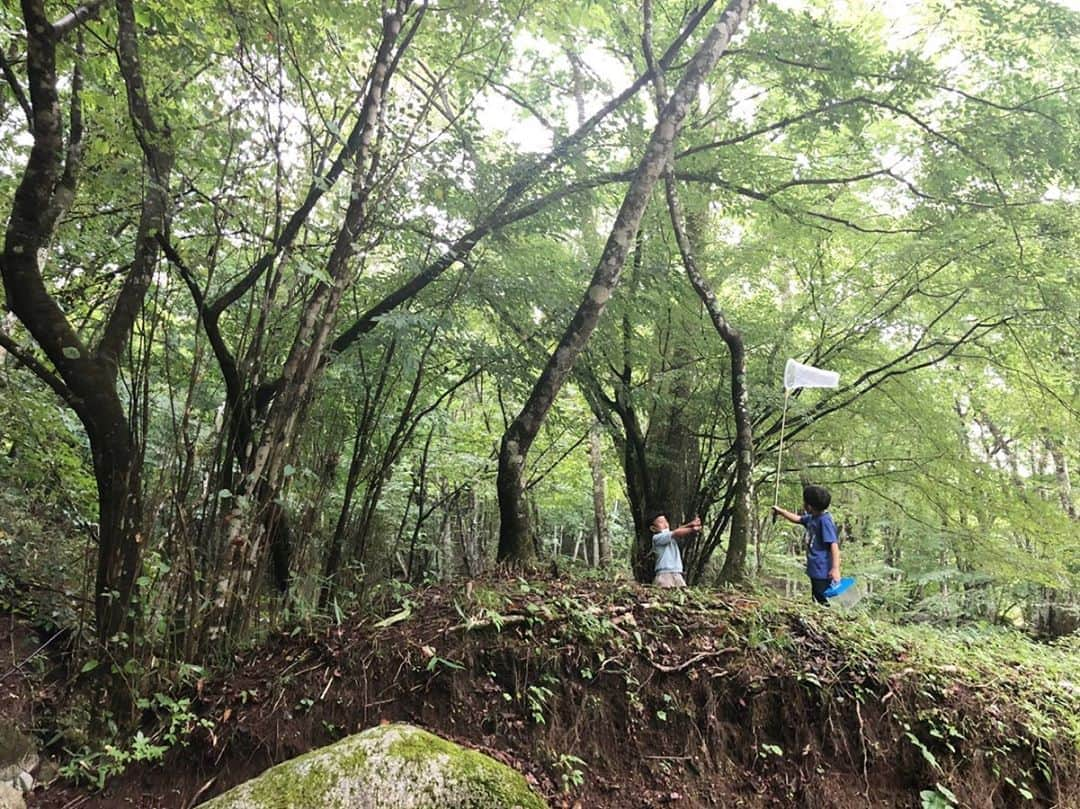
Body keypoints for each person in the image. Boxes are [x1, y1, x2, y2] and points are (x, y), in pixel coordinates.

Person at [772, 485, 840, 605]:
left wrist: (835, 569)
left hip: (823, 569)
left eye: (804, 502)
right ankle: (821, 613)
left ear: (809, 506)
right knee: (816, 594)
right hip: (815, 567)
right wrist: (781, 512)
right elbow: (798, 519)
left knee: (821, 596)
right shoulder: (813, 518)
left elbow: (833, 545)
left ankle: (827, 615)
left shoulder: (824, 521)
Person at [648, 511, 701, 588]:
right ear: (653, 528)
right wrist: (692, 529)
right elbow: (676, 532)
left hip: (677, 572)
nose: (665, 524)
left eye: (666, 521)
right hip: (664, 574)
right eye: (661, 523)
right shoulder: (657, 538)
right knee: (665, 595)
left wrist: (691, 524)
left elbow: (677, 531)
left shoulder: (670, 536)